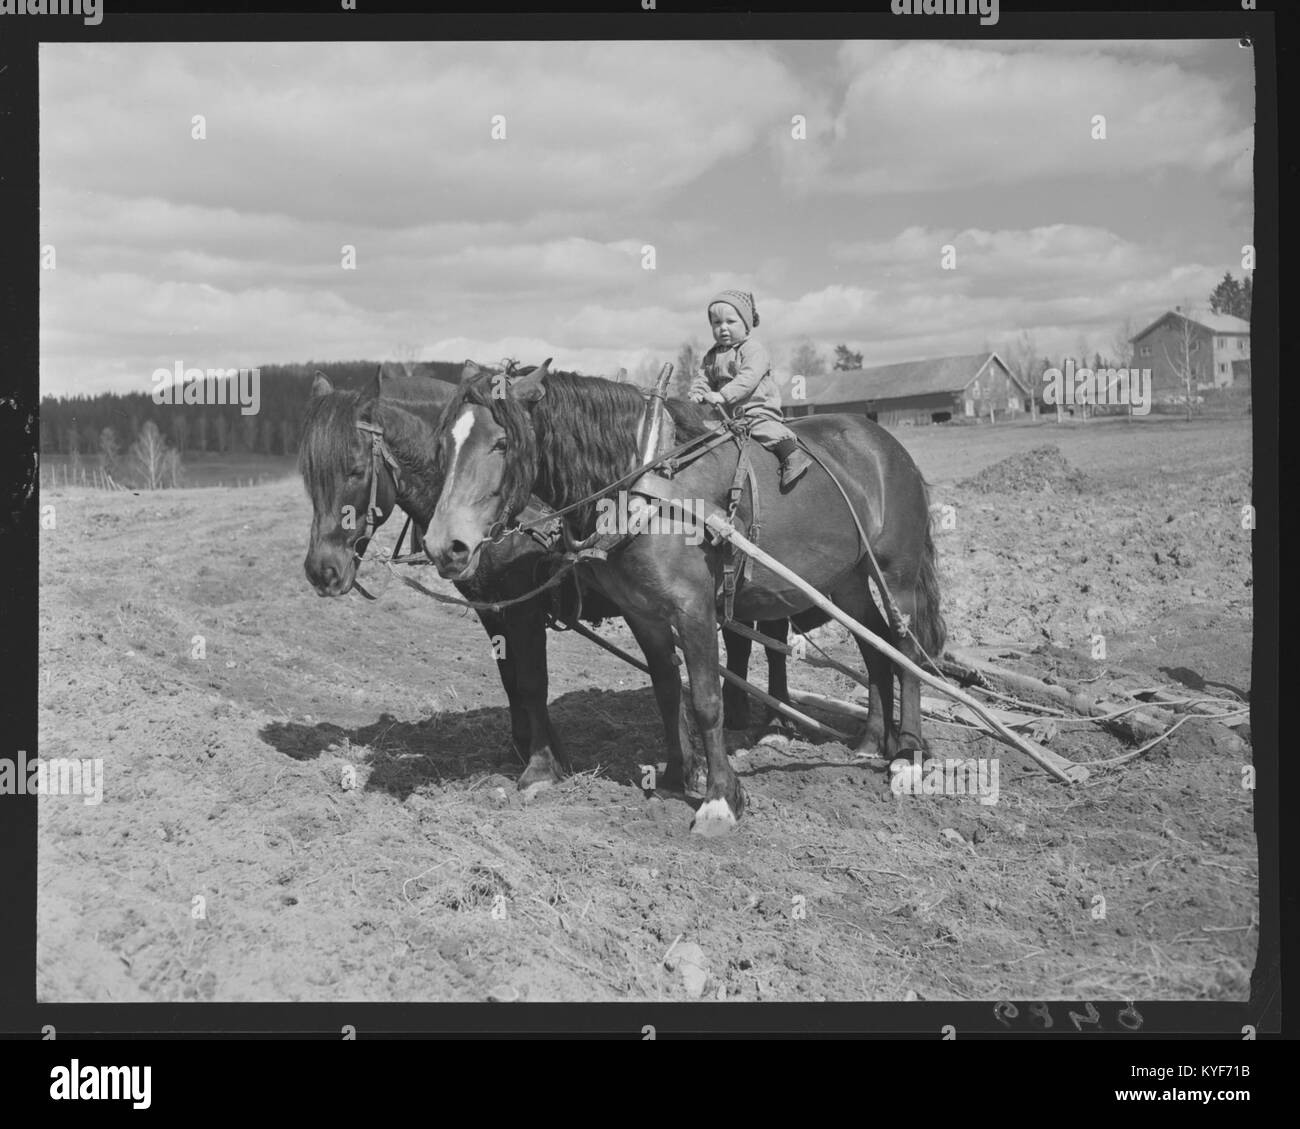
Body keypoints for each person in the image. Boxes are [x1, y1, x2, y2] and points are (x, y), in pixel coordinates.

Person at [689, 290, 812, 487]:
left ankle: (791, 454)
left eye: (730, 322)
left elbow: (747, 379)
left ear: (746, 324)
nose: (723, 328)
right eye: (717, 323)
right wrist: (698, 392)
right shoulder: (711, 355)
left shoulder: (753, 350)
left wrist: (722, 395)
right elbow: (703, 377)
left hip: (755, 409)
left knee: (762, 428)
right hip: (725, 416)